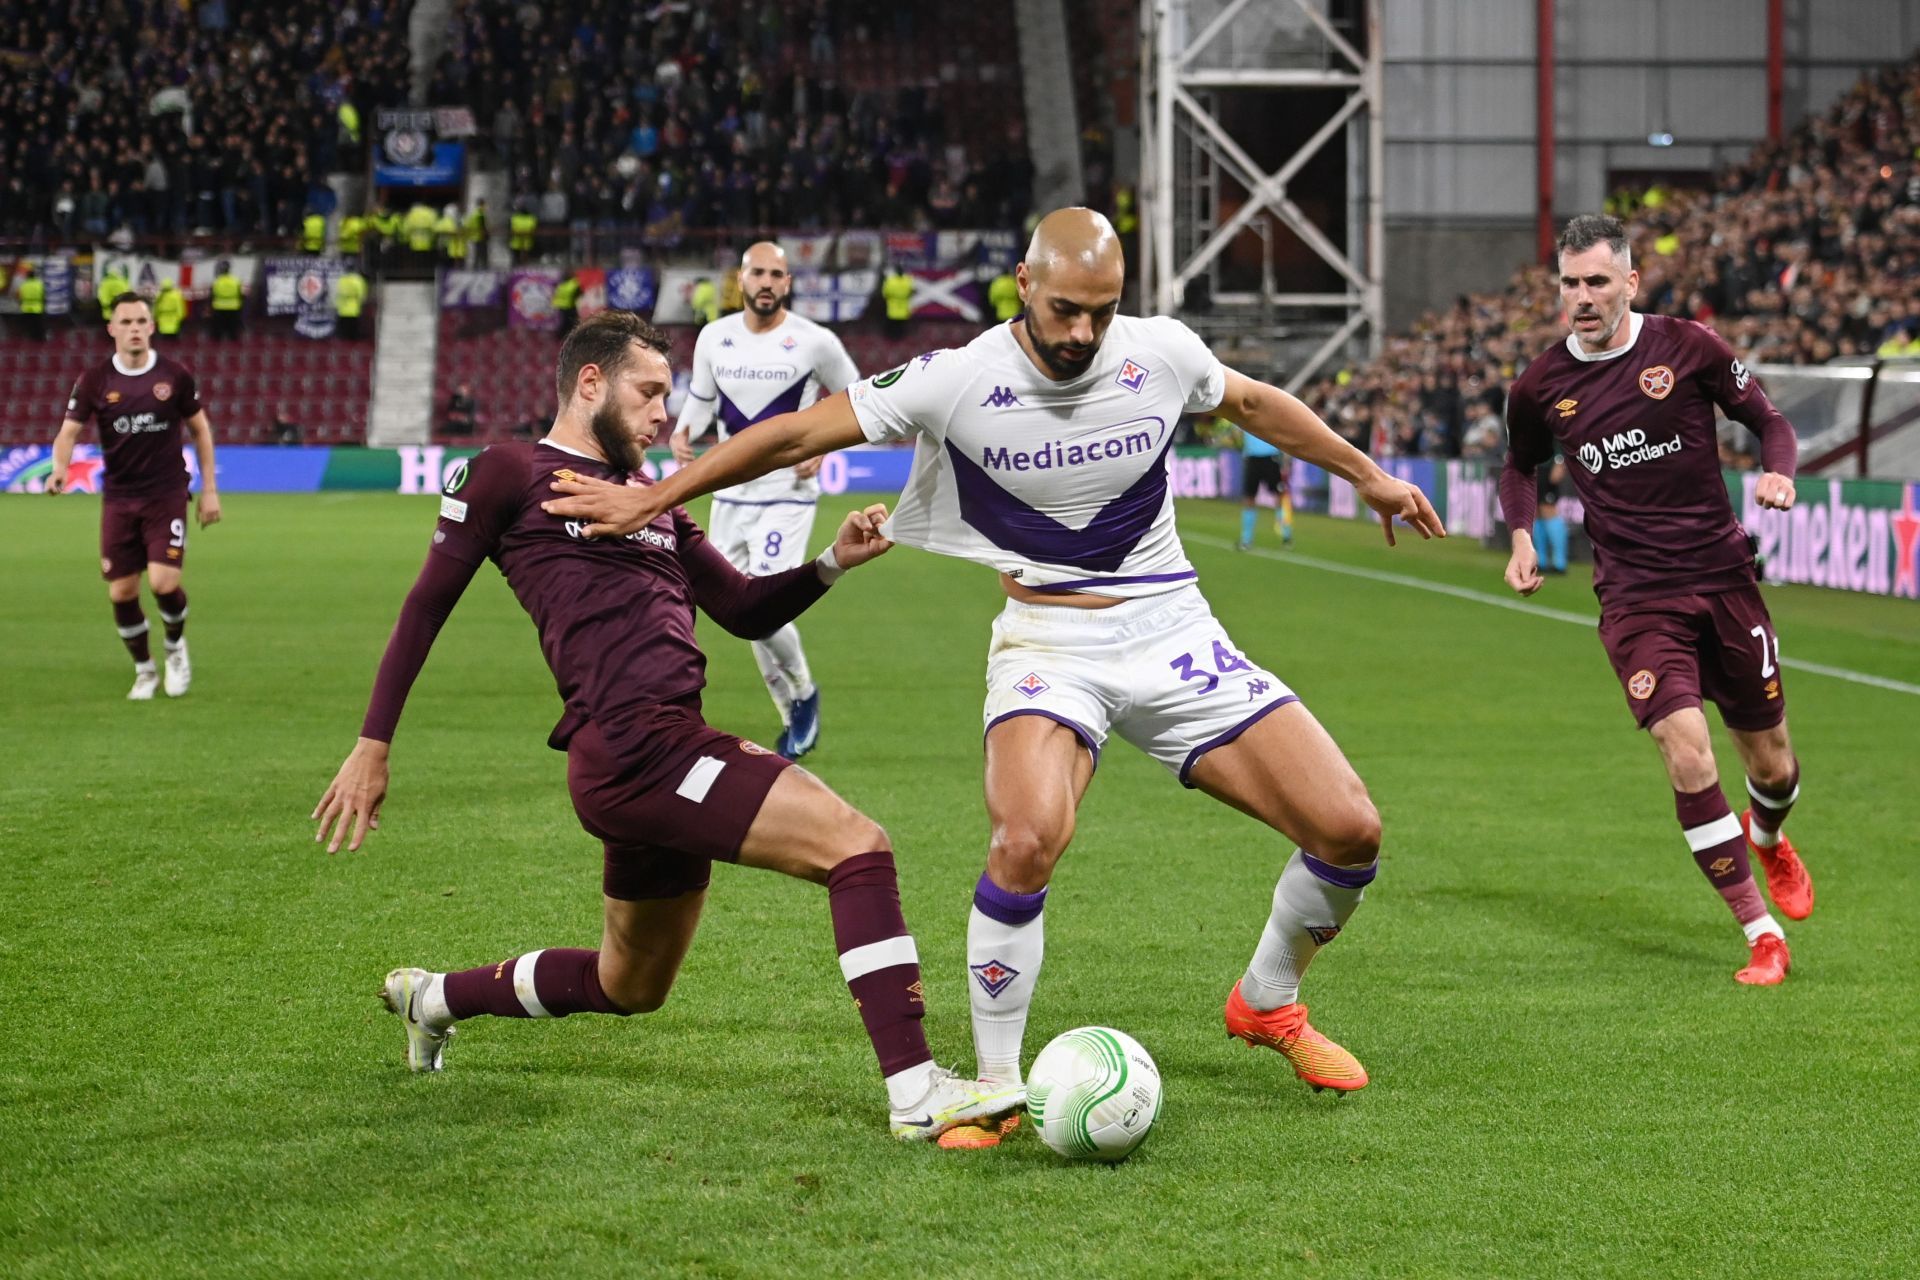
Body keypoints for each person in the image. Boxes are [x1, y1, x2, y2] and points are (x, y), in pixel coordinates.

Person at [545, 209, 1444, 1146]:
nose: (1083, 334)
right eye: (1065, 310)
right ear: (1024, 282)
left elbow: (1255, 405)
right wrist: (657, 493)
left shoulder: (1162, 353)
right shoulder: (959, 377)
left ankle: (1268, 1000)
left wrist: (1364, 473)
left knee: (1349, 830)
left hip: (1172, 623)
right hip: (1048, 644)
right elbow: (794, 434)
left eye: (1102, 311)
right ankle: (996, 1085)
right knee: (1025, 838)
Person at [310, 310, 1022, 1143]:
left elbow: (744, 611)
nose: (665, 415)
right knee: (856, 848)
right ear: (590, 383)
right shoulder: (508, 471)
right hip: (639, 748)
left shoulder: (656, 506)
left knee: (630, 984)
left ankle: (434, 998)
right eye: (649, 394)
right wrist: (372, 743)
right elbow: (425, 607)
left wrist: (831, 561)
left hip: (647, 753)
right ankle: (916, 1093)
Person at [1501, 214, 1812, 986]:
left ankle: (1768, 837)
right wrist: (1521, 537)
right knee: (1684, 747)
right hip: (1637, 598)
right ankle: (1761, 934)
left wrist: (1778, 473)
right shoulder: (1540, 386)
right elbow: (1519, 467)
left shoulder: (1688, 347)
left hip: (1725, 580)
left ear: (1630, 282)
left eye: (1597, 281)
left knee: (1771, 764)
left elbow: (1768, 420)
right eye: (1569, 283)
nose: (1581, 296)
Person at [669, 241, 860, 759]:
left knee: (767, 608)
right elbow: (704, 401)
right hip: (730, 492)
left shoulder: (815, 342)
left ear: (788, 283)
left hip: (787, 494)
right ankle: (792, 713)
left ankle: (803, 697)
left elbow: (860, 399)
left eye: (778, 273)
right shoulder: (715, 337)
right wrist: (685, 429)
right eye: (759, 272)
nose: (768, 281)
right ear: (742, 279)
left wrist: (825, 445)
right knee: (739, 610)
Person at [48, 294, 223, 699]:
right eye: (125, 322)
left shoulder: (174, 376)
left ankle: (175, 646)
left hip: (166, 494)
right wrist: (60, 468)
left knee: (163, 582)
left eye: (141, 321)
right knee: (122, 592)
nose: (134, 329)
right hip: (120, 498)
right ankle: (145, 670)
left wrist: (209, 490)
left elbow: (201, 430)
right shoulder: (94, 380)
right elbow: (68, 432)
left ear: (151, 326)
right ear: (112, 329)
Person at [1237, 423, 1292, 550]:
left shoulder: (1269, 411)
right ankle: (1246, 539)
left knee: (1278, 496)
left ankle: (1286, 535)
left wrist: (1286, 459)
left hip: (1271, 457)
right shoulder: (1244, 413)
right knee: (1249, 498)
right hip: (1252, 458)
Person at [1534, 457, 1568, 574]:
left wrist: (1559, 461)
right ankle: (1540, 560)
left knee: (1548, 509)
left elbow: (1560, 439)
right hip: (1532, 464)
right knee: (1536, 511)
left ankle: (1559, 563)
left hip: (1548, 465)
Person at [209, 263, 244, 340]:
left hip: (219, 306)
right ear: (229, 270)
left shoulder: (217, 281)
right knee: (232, 325)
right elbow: (240, 294)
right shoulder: (236, 281)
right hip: (233, 306)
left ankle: (217, 339)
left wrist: (211, 305)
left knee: (219, 326)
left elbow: (212, 294)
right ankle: (233, 338)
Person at [334, 267, 369, 342]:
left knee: (343, 331)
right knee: (353, 330)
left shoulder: (342, 279)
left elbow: (338, 293)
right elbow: (362, 295)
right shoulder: (358, 280)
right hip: (354, 309)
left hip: (342, 308)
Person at [881, 266, 913, 339]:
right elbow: (911, 291)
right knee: (900, 325)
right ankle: (898, 337)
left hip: (893, 305)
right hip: (902, 305)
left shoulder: (891, 281)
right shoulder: (907, 280)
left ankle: (893, 337)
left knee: (893, 324)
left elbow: (885, 293)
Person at [17, 263, 45, 341]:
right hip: (37, 306)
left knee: (29, 324)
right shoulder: (39, 284)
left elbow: (20, 296)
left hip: (26, 307)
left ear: (27, 276)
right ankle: (40, 338)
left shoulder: (23, 285)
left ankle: (31, 337)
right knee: (38, 324)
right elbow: (43, 294)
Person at [552, 271, 581, 340]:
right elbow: (578, 294)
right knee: (571, 322)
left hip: (561, 305)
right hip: (570, 306)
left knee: (564, 322)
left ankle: (560, 335)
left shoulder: (561, 284)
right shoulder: (574, 284)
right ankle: (571, 336)